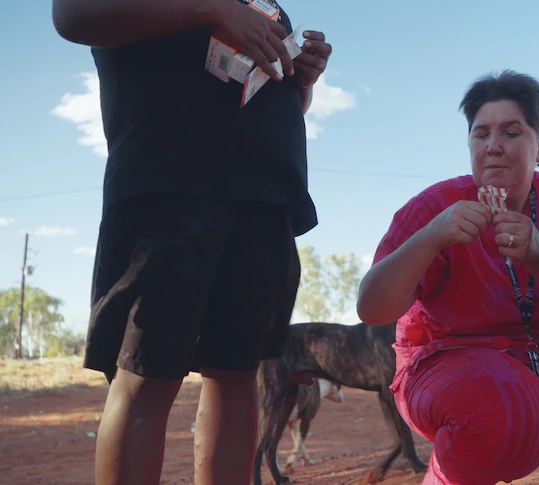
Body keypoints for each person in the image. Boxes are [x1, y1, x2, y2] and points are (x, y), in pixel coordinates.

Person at [51, 1, 331, 484]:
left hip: (265, 197)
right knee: (144, 373)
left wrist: (298, 80)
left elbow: (267, 94)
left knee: (238, 371)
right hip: (168, 185)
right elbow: (72, 14)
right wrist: (212, 10)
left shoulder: (264, 3)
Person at [357, 70, 539, 485]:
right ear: (469, 147)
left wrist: (538, 253)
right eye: (481, 135)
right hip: (442, 366)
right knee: (506, 410)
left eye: (511, 132)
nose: (494, 147)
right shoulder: (436, 207)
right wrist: (430, 238)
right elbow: (372, 309)